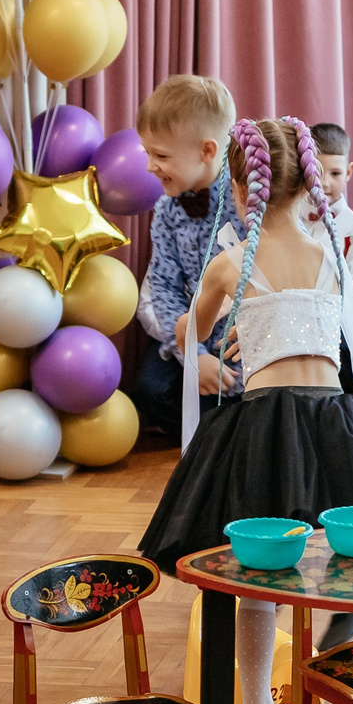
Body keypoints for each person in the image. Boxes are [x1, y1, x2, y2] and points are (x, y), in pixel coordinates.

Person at [137, 118, 353, 704]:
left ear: (239, 187)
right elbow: (324, 337)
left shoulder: (231, 262)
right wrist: (259, 330)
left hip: (264, 424)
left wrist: (225, 331)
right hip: (338, 422)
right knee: (351, 553)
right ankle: (335, 652)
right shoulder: (331, 254)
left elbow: (188, 334)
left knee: (257, 573)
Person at [128, 76, 240, 438]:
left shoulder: (247, 202)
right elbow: (163, 283)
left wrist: (216, 356)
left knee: (231, 398)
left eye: (160, 155)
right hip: (188, 331)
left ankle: (229, 434)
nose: (149, 167)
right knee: (150, 390)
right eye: (147, 153)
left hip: (240, 335)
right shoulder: (165, 209)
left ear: (207, 151)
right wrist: (195, 356)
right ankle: (217, 434)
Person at [306, 122, 353, 274]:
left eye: (335, 173)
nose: (324, 183)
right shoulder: (289, 218)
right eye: (317, 172)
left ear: (348, 172)